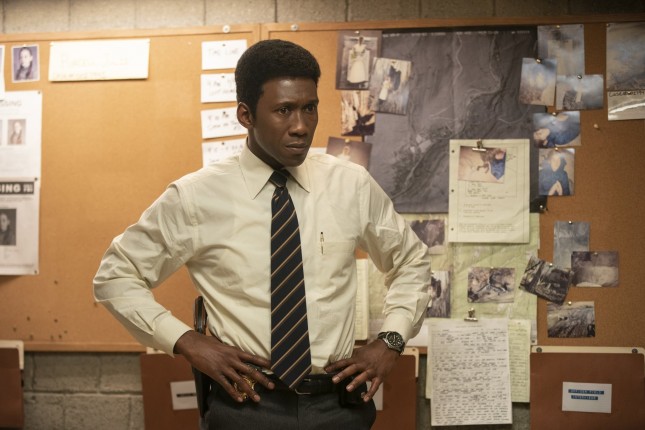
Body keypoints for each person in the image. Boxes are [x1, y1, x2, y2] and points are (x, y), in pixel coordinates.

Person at [94, 39, 431, 430]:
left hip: (337, 406)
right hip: (246, 405)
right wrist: (186, 341)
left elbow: (411, 261)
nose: (301, 126)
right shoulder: (195, 197)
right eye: (284, 110)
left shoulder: (349, 184)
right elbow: (116, 276)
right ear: (246, 115)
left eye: (309, 108)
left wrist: (391, 341)